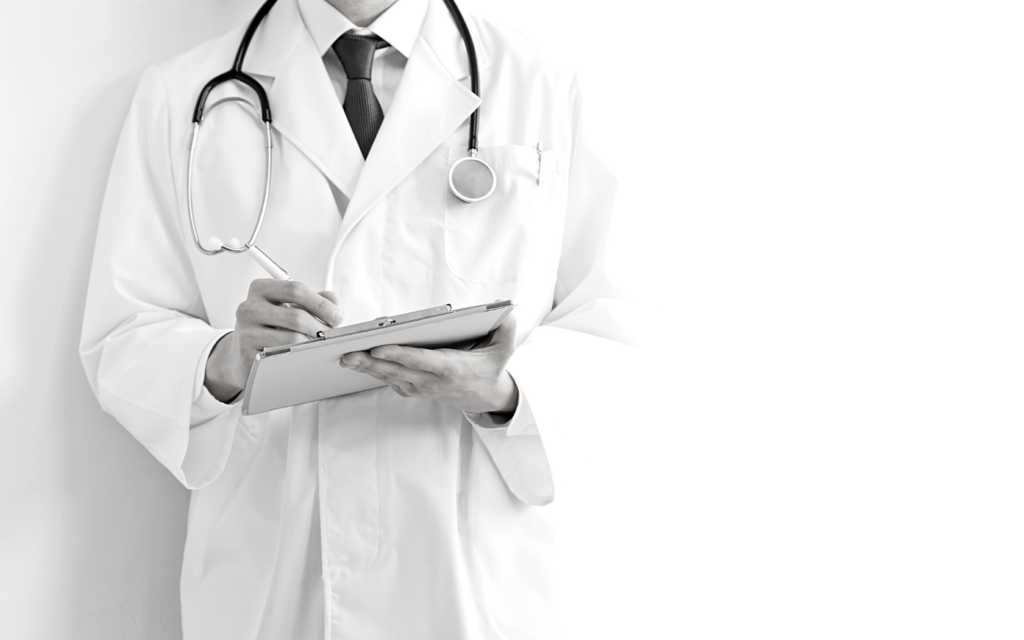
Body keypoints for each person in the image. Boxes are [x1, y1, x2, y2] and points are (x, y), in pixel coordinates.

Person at [79, 0, 626, 637]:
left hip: (476, 581)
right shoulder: (183, 95)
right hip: (278, 575)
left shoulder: (543, 83)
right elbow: (123, 332)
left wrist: (504, 393)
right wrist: (223, 360)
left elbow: (615, 324)